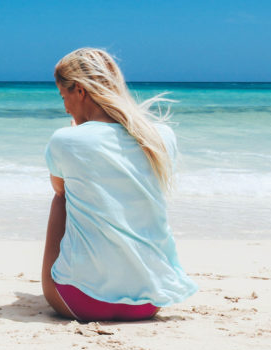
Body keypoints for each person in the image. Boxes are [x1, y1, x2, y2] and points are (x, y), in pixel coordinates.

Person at [42, 48, 196, 322]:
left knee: (62, 197)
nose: (65, 106)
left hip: (80, 302)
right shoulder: (160, 136)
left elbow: (60, 189)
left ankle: (79, 275)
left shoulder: (66, 139)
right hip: (150, 301)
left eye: (63, 96)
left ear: (79, 90)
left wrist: (77, 131)